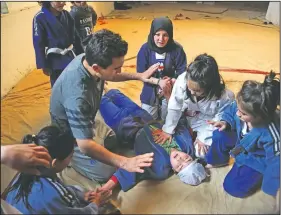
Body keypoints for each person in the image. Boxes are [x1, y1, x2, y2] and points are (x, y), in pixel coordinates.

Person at [50, 29, 163, 185]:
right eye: (116, 68)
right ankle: (71, 158)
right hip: (71, 135)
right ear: (96, 68)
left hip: (89, 116)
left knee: (113, 141)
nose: (119, 71)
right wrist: (125, 162)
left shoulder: (87, 58)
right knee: (107, 173)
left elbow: (111, 74)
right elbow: (85, 145)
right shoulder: (78, 95)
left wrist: (139, 76)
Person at [99, 89, 207, 192]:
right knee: (114, 93)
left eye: (179, 166)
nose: (179, 159)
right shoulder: (187, 143)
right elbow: (180, 120)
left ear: (175, 171)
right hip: (143, 116)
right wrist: (169, 97)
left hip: (126, 128)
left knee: (100, 100)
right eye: (186, 159)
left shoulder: (159, 168)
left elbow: (131, 170)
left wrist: (106, 188)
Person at [5, 125, 112, 214]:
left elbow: (60, 191)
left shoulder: (25, 172)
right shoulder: (54, 195)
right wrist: (95, 204)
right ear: (55, 163)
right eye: (70, 156)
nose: (71, 160)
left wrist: (81, 195)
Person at [207, 71, 280, 198]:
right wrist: (225, 122)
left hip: (257, 157)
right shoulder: (243, 106)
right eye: (238, 110)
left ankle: (258, 175)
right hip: (241, 142)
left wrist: (271, 188)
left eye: (243, 114)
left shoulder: (272, 134)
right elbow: (231, 110)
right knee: (219, 135)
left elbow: (275, 162)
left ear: (260, 116)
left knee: (232, 187)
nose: (238, 114)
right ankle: (218, 160)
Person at [154, 53, 235, 158]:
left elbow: (218, 120)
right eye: (189, 88)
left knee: (200, 154)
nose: (191, 92)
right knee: (169, 130)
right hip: (186, 114)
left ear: (209, 88)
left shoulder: (225, 97)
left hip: (206, 121)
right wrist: (168, 130)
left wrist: (204, 137)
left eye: (197, 90)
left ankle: (195, 135)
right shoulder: (182, 80)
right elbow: (175, 106)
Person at [137, 17, 187, 120]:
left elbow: (183, 73)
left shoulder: (177, 50)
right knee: (148, 120)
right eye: (157, 34)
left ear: (170, 35)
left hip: (170, 89)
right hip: (150, 89)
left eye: (165, 35)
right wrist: (158, 82)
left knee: (168, 119)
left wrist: (172, 81)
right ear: (152, 34)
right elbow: (141, 73)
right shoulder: (145, 49)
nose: (161, 39)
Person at [33, 1, 83, 87]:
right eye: (57, 0)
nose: (62, 2)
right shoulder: (39, 17)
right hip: (55, 61)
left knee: (76, 84)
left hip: (71, 57)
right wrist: (44, 64)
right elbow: (38, 43)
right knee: (59, 87)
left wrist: (82, 54)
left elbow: (76, 38)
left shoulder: (67, 15)